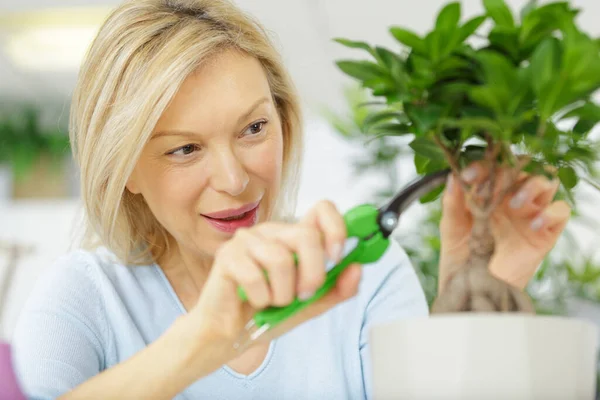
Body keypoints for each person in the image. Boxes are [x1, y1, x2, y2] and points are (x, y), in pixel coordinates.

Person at [11, 0, 571, 399]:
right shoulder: (83, 301)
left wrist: (471, 314)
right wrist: (207, 338)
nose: (233, 178)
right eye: (184, 149)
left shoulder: (368, 275)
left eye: (253, 128)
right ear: (125, 169)